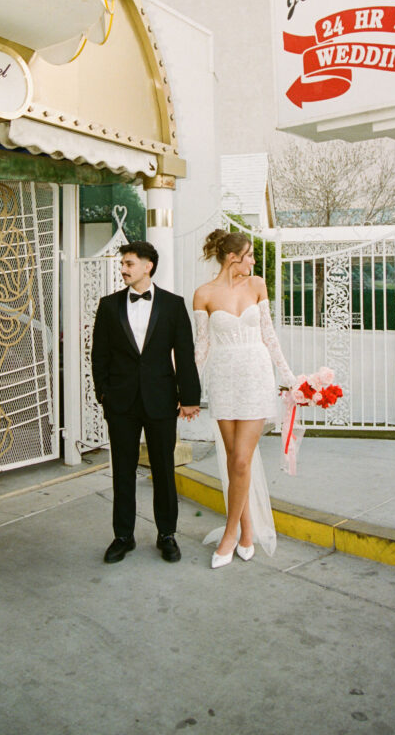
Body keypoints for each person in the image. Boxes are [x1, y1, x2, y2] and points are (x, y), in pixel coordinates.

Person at [92, 241, 201, 564]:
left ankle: (167, 534)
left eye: (128, 263)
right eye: (122, 263)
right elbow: (99, 355)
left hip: (161, 400)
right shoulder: (109, 305)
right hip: (121, 403)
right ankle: (123, 536)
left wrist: (190, 397)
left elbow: (184, 353)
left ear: (147, 266)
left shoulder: (172, 304)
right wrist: (104, 394)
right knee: (122, 471)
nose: (123, 268)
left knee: (164, 470)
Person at [193, 229, 295, 568]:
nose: (253, 261)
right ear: (231, 257)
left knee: (240, 461)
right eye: (249, 255)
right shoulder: (203, 294)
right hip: (223, 380)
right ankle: (247, 528)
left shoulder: (257, 285)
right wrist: (188, 389)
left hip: (255, 376)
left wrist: (290, 378)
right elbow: (202, 347)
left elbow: (269, 335)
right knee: (236, 461)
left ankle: (230, 533)